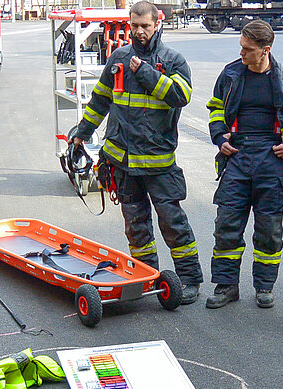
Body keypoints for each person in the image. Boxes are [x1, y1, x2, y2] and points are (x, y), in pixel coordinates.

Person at [69, 1, 203, 304]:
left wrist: (145, 73)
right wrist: (82, 133)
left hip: (159, 164)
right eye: (135, 25)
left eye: (145, 26)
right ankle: (147, 277)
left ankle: (189, 279)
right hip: (123, 163)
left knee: (173, 223)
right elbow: (100, 100)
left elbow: (180, 96)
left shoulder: (173, 61)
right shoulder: (118, 58)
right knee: (136, 228)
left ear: (158, 23)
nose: (139, 31)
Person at [206, 20, 283, 309]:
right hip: (237, 157)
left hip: (273, 160)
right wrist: (219, 136)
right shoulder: (230, 74)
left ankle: (264, 286)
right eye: (241, 47)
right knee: (227, 224)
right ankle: (226, 286)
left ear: (265, 50)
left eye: (247, 49)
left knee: (268, 229)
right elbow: (216, 108)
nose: (241, 53)